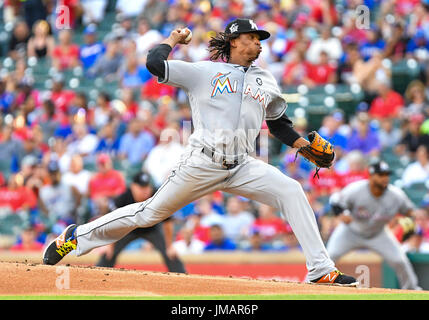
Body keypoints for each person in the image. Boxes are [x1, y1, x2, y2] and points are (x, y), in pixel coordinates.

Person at [43, 18, 358, 286]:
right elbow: (155, 64)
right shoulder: (203, 72)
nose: (259, 43)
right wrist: (173, 40)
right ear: (234, 41)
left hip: (243, 164)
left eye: (260, 39)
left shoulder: (266, 79)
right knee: (148, 213)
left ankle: (320, 270)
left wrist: (303, 147)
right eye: (252, 38)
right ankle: (75, 236)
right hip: (202, 162)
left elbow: (278, 125)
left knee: (291, 190)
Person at [327, 160, 421, 290]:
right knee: (329, 257)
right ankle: (308, 285)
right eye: (381, 175)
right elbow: (335, 199)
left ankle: (412, 291)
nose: (385, 178)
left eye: (387, 175)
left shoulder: (396, 195)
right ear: (371, 176)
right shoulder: (356, 189)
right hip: (350, 232)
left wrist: (413, 218)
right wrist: (341, 213)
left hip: (378, 234)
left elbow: (410, 211)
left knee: (400, 261)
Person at [95, 172, 186, 273]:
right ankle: (96, 275)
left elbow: (168, 222)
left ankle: (183, 277)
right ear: (133, 187)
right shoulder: (124, 198)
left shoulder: (158, 197)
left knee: (170, 253)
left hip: (152, 229)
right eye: (141, 187)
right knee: (108, 253)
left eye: (147, 187)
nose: (145, 191)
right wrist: (109, 245)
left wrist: (170, 246)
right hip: (128, 229)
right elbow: (112, 223)